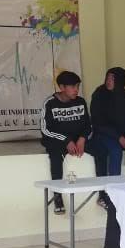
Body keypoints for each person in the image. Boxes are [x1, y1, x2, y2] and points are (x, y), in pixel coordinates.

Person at [40, 72, 91, 214]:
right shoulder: (49, 103)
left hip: (78, 139)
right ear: (62, 87)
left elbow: (88, 125)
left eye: (78, 86)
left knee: (101, 149)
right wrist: (66, 140)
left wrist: (82, 138)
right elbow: (45, 130)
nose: (76, 90)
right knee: (55, 156)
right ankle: (57, 196)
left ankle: (103, 194)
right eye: (72, 87)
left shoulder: (80, 101)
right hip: (57, 140)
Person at [90, 68, 125, 203]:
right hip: (102, 134)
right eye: (108, 78)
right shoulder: (99, 94)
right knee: (115, 150)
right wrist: (118, 137)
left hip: (123, 136)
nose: (108, 81)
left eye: (113, 78)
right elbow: (98, 123)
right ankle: (111, 194)